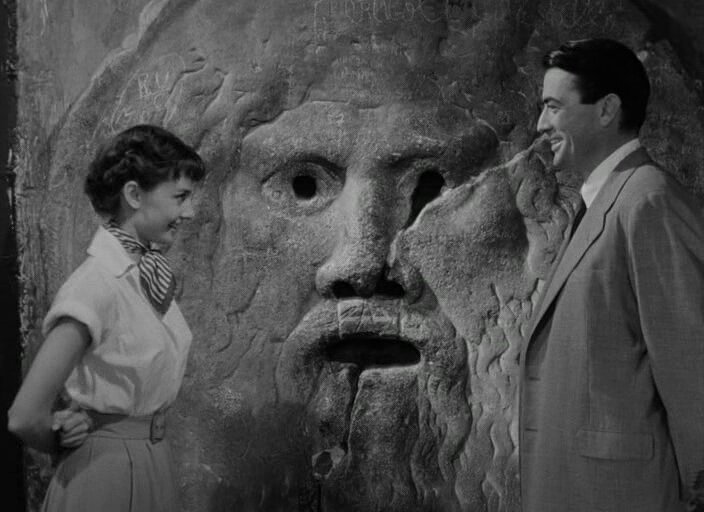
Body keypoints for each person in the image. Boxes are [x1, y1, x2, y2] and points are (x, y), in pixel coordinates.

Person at [520, 38, 704, 512]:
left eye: (554, 107)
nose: (541, 125)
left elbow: (692, 367)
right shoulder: (603, 201)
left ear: (606, 109)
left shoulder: (648, 201)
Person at [8, 124, 206, 511]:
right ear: (134, 195)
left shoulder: (145, 275)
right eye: (180, 197)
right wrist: (58, 438)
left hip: (152, 463)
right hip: (105, 475)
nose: (190, 211)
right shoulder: (97, 285)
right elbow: (24, 416)